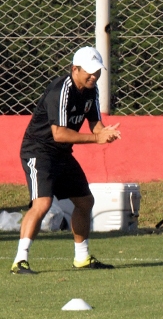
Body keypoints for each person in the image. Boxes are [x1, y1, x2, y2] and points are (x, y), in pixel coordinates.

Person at [11, 47, 121, 275]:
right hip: (38, 151)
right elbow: (59, 133)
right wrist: (95, 139)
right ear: (75, 69)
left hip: (61, 153)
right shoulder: (61, 90)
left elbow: (95, 124)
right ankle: (20, 260)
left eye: (97, 71)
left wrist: (105, 132)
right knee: (42, 203)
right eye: (89, 72)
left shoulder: (91, 90)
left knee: (84, 202)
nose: (94, 76)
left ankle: (82, 258)